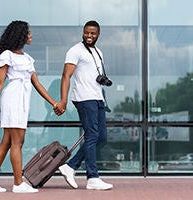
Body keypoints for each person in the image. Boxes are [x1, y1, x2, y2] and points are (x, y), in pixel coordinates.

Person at [0, 20, 58, 193]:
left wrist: (53, 103)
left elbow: (37, 84)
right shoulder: (7, 55)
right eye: (28, 33)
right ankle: (18, 183)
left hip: (22, 99)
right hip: (13, 98)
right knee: (17, 141)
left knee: (8, 141)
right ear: (21, 35)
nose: (31, 36)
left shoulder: (28, 59)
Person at [53, 20, 114, 191]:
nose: (89, 36)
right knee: (92, 134)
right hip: (84, 98)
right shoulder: (75, 51)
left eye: (93, 33)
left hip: (97, 98)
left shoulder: (98, 52)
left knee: (100, 137)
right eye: (87, 32)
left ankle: (70, 166)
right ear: (83, 32)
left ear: (98, 34)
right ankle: (92, 177)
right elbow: (66, 76)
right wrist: (63, 101)